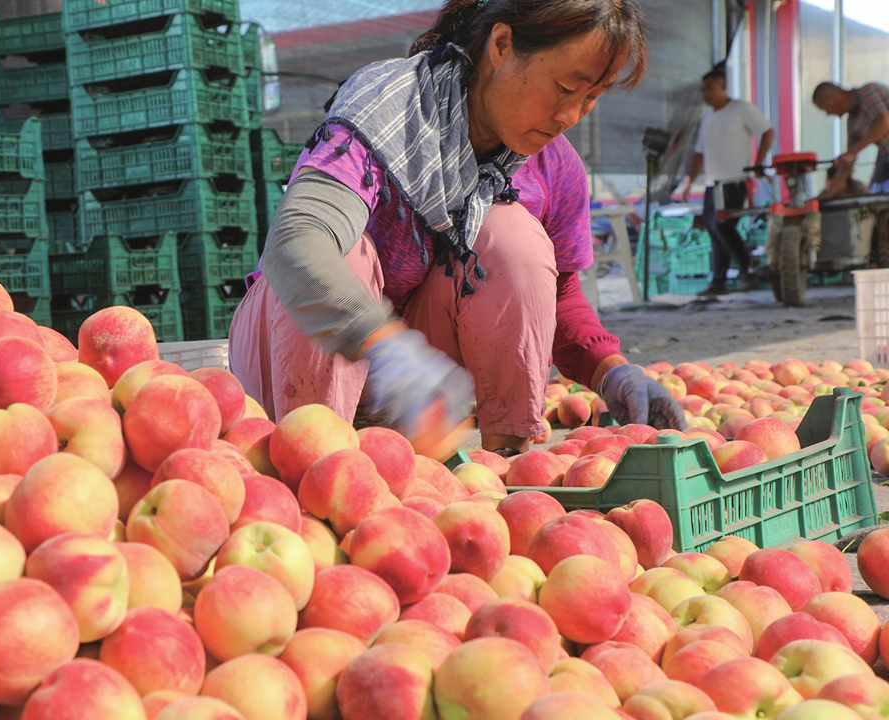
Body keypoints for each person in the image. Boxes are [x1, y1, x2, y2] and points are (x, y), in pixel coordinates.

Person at [228, 0, 685, 454]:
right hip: (304, 353)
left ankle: (505, 464)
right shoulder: (389, 108)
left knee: (513, 239)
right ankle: (313, 462)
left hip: (421, 396)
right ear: (502, 45)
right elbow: (296, 243)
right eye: (564, 87)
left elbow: (556, 293)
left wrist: (610, 370)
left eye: (589, 98)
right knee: (347, 253)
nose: (569, 116)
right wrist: (383, 347)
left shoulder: (551, 163)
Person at [680, 69, 774, 296]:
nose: (706, 94)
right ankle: (719, 280)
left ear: (723, 87)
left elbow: (767, 131)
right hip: (713, 183)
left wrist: (758, 163)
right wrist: (689, 181)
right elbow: (699, 154)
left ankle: (749, 265)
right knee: (713, 229)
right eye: (703, 90)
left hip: (735, 179)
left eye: (710, 88)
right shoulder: (708, 119)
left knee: (723, 226)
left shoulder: (741, 109)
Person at [812, 81, 889, 198]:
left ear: (833, 99)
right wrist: (826, 195)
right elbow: (847, 165)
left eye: (825, 109)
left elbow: (884, 122)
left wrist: (853, 152)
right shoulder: (852, 122)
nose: (828, 113)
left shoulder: (867, 92)